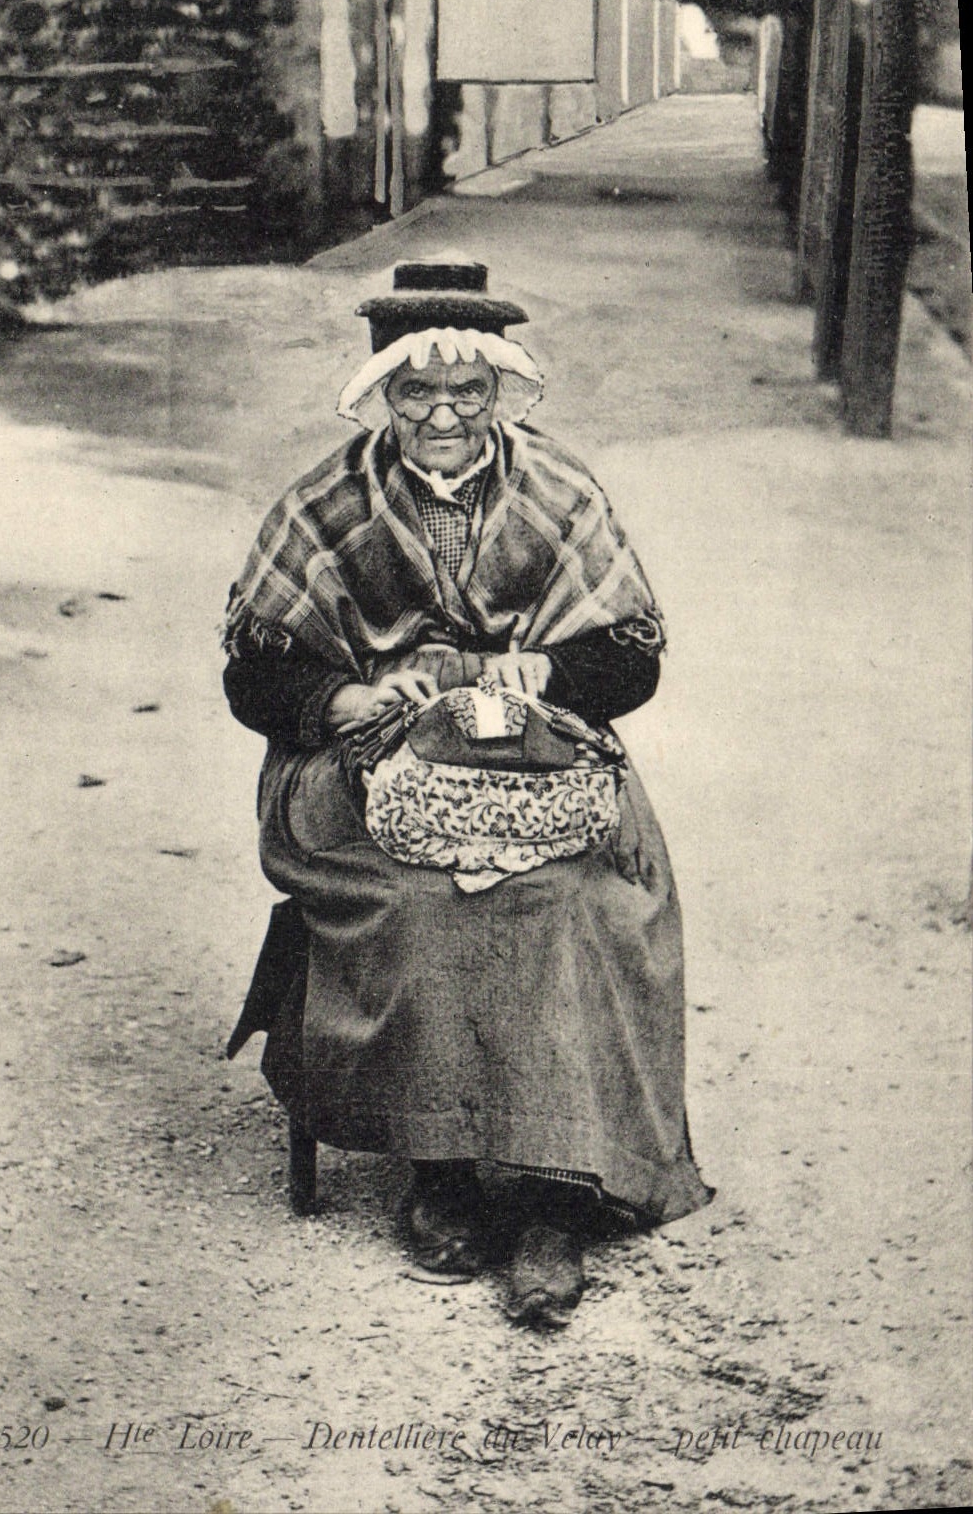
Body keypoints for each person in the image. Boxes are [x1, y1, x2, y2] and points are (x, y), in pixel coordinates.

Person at [223, 261, 712, 1328]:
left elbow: (631, 657)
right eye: (416, 392)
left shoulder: (561, 492)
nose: (442, 415)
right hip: (365, 767)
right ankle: (440, 1170)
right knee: (423, 897)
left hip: (533, 762)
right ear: (379, 392)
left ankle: (551, 1195)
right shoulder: (321, 503)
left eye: (467, 392)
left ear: (501, 393)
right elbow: (254, 676)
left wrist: (551, 675)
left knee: (582, 895)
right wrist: (346, 696)